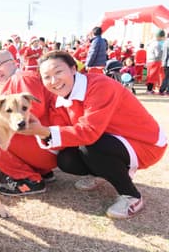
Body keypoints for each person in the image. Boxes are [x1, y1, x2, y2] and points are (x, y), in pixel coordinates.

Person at [20, 50, 167, 218]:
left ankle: (132, 196)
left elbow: (89, 132)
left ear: (74, 69)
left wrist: (45, 131)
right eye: (46, 77)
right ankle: (101, 173)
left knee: (90, 146)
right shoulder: (58, 99)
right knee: (66, 159)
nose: (54, 81)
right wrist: (39, 130)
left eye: (58, 72)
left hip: (143, 142)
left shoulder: (100, 85)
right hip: (108, 139)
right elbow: (62, 138)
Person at [0, 50, 58, 196]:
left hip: (46, 144)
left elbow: (33, 113)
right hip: (47, 144)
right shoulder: (15, 80)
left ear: (14, 63)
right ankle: (41, 172)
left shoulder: (21, 78)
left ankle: (30, 180)